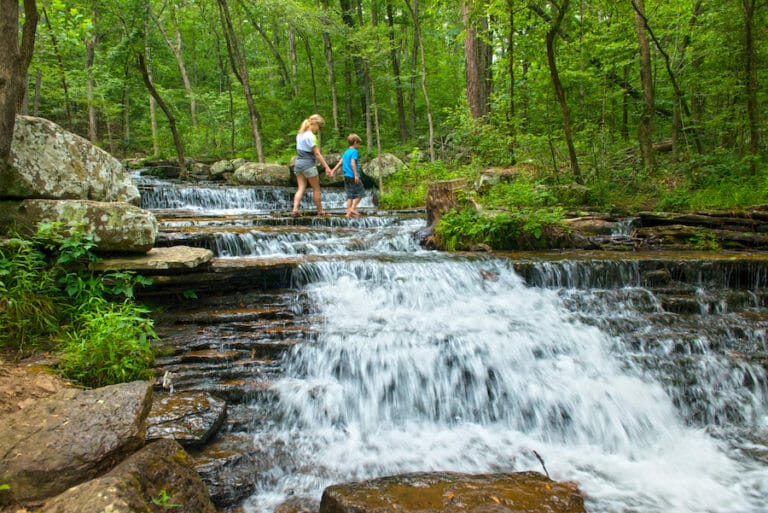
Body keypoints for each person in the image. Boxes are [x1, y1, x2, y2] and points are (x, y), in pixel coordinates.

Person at [292, 114, 332, 217]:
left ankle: (295, 209)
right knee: (316, 189)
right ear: (314, 124)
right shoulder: (311, 136)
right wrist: (327, 167)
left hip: (298, 165)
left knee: (301, 188)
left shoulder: (299, 134)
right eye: (319, 127)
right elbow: (317, 154)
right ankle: (320, 211)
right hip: (308, 165)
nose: (319, 129)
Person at [331, 133, 364, 218]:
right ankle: (353, 208)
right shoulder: (354, 152)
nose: (359, 145)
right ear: (355, 142)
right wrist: (356, 175)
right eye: (358, 143)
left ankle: (348, 213)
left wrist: (333, 170)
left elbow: (340, 162)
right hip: (353, 175)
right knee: (361, 193)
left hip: (346, 176)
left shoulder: (346, 152)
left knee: (350, 195)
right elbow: (353, 163)